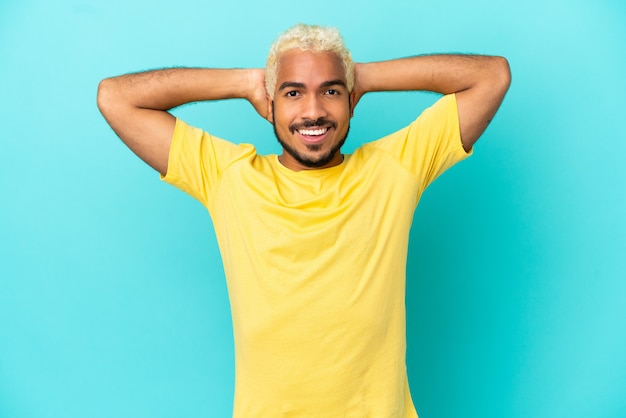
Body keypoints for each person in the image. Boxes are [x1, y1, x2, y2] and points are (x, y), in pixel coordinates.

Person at [97, 23, 510, 417]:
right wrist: (244, 83)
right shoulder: (229, 178)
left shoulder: (395, 169)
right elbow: (115, 97)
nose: (313, 111)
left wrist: (361, 77)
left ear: (349, 100)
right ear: (270, 102)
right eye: (293, 93)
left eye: (330, 91)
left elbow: (492, 75)